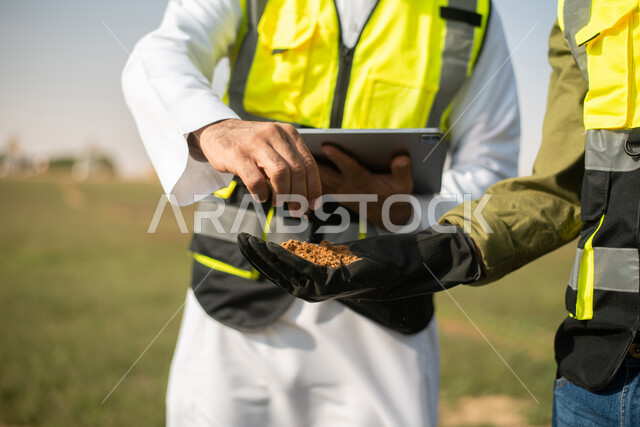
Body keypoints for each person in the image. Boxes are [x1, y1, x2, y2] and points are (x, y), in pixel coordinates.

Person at [240, 1, 640, 425]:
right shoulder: (584, 8)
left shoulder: (472, 16)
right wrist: (428, 252)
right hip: (599, 369)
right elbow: (562, 188)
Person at [122, 0, 520, 425]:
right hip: (232, 294)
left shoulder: (469, 10)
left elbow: (491, 165)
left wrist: (408, 211)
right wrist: (214, 127)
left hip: (385, 300)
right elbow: (162, 51)